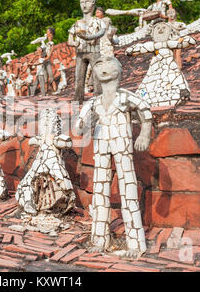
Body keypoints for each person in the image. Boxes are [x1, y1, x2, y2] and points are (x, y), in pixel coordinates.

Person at [76, 56, 152, 259]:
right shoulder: (95, 101)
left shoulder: (125, 97)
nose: (103, 68)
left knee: (128, 189)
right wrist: (82, 124)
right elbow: (80, 123)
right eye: (99, 64)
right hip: (101, 144)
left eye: (108, 63)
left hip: (122, 144)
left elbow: (145, 111)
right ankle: (99, 239)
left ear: (118, 70)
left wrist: (145, 134)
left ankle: (136, 243)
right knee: (100, 190)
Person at [68, 0, 106, 102]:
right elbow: (70, 39)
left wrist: (89, 37)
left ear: (93, 3)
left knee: (97, 76)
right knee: (79, 77)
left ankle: (99, 98)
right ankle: (78, 99)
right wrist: (74, 43)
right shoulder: (77, 23)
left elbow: (102, 32)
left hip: (94, 51)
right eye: (82, 2)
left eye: (87, 2)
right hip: (80, 53)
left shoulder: (98, 21)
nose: (84, 5)